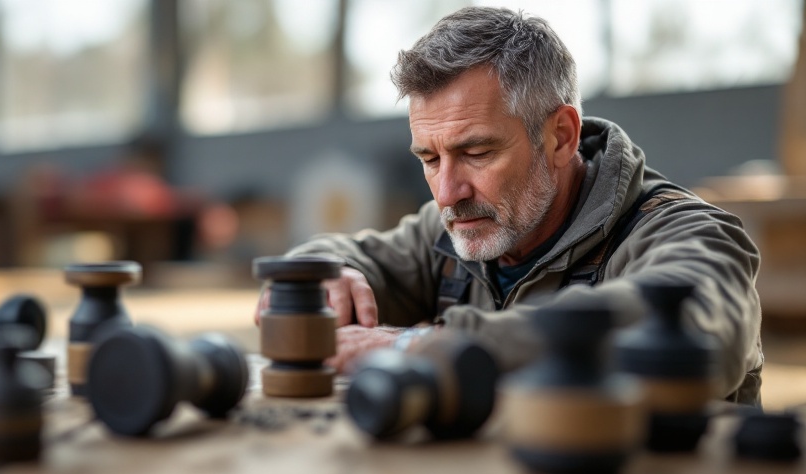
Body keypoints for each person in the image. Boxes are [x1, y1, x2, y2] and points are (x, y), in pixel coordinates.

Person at [254, 7, 763, 404]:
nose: (448, 192)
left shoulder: (685, 232)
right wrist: (322, 272)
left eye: (476, 152)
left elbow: (693, 332)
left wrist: (419, 347)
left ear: (561, 136)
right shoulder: (451, 229)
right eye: (429, 158)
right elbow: (358, 256)